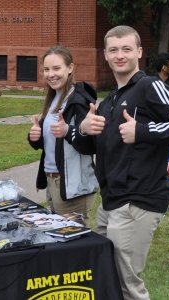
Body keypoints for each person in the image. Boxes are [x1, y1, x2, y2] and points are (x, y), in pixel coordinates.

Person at [77, 25, 169, 299]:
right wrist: (84, 129)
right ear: (106, 56)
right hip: (111, 202)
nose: (120, 55)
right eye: (113, 50)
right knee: (102, 274)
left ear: (139, 52)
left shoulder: (150, 86)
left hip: (138, 200)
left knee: (127, 285)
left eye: (126, 49)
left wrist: (143, 131)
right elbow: (98, 145)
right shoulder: (111, 99)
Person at [28, 45, 98, 225]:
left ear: (70, 68)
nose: (51, 74)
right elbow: (52, 143)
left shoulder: (79, 101)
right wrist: (35, 137)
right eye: (46, 69)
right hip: (53, 181)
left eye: (56, 68)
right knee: (59, 239)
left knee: (74, 244)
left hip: (72, 185)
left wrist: (67, 131)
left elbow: (90, 145)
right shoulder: (54, 98)